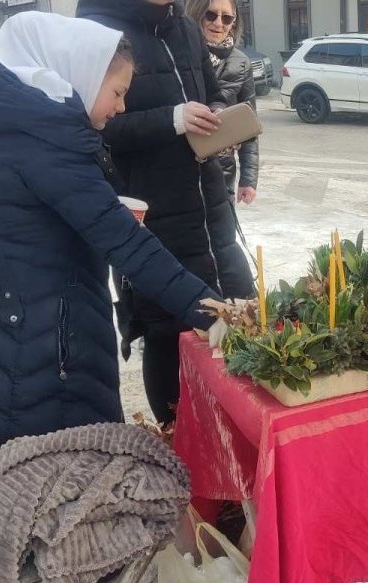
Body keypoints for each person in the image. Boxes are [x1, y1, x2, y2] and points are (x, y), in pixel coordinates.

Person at [0, 12, 223, 494]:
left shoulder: (18, 122)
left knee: (0, 493)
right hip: (12, 338)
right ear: (81, 77)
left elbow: (28, 211)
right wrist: (211, 311)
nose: (120, 106)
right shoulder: (43, 144)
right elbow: (125, 241)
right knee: (23, 497)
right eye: (116, 92)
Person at [78, 0, 254, 426]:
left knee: (239, 317)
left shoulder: (186, 28)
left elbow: (209, 93)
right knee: (167, 332)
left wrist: (217, 121)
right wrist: (172, 120)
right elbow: (94, 125)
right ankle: (178, 444)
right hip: (151, 212)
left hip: (210, 207)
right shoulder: (97, 30)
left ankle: (232, 446)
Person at [185, 0, 259, 205]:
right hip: (182, 167)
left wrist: (249, 179)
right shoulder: (181, 54)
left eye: (227, 18)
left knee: (223, 233)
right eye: (211, 15)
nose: (219, 23)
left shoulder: (241, 63)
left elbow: (249, 127)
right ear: (197, 13)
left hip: (222, 169)